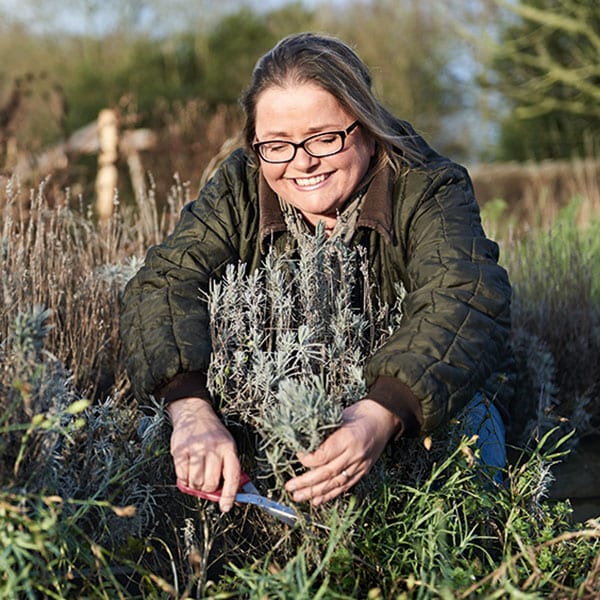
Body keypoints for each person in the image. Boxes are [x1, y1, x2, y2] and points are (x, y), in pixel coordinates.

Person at [120, 32, 514, 514]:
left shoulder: (427, 185)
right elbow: (162, 286)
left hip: (392, 409)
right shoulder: (239, 185)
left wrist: (383, 411)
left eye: (324, 138)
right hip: (269, 402)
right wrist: (191, 408)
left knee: (475, 421)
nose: (302, 162)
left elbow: (464, 298)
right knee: (158, 433)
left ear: (366, 129)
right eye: (276, 145)